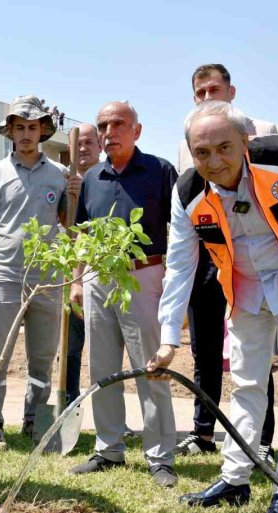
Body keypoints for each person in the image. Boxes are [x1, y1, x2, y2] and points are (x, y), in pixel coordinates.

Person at [149, 101, 278, 513]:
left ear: (245, 141)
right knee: (245, 386)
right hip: (244, 291)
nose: (214, 161)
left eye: (224, 147)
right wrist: (168, 337)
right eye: (202, 153)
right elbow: (181, 266)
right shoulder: (187, 193)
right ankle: (234, 479)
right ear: (190, 153)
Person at [69, 101, 179, 487]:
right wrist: (78, 280)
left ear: (137, 130)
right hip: (99, 278)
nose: (109, 131)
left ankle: (161, 457)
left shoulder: (161, 171)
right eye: (103, 125)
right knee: (102, 368)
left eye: (118, 123)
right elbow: (82, 233)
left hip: (144, 276)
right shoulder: (92, 177)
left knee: (152, 367)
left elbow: (179, 229)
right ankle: (109, 448)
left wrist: (170, 277)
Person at [175, 64, 278, 464]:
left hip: (250, 262)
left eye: (213, 90)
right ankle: (203, 432)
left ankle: (263, 442)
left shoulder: (263, 131)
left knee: (251, 352)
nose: (206, 98)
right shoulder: (188, 139)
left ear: (231, 91)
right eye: (199, 93)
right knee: (203, 351)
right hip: (206, 258)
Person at [0, 95, 67, 452]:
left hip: (48, 279)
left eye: (32, 127)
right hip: (3, 275)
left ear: (43, 131)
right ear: (9, 131)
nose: (26, 134)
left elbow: (69, 226)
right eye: (19, 127)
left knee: (42, 357)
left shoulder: (60, 175)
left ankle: (36, 421)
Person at [64, 123, 102, 404]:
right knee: (71, 346)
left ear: (100, 146)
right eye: (78, 144)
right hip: (69, 277)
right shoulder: (62, 180)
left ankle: (109, 409)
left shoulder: (108, 179)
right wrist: (70, 198)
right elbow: (67, 228)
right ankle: (69, 402)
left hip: (103, 275)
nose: (83, 148)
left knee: (105, 349)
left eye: (89, 142)